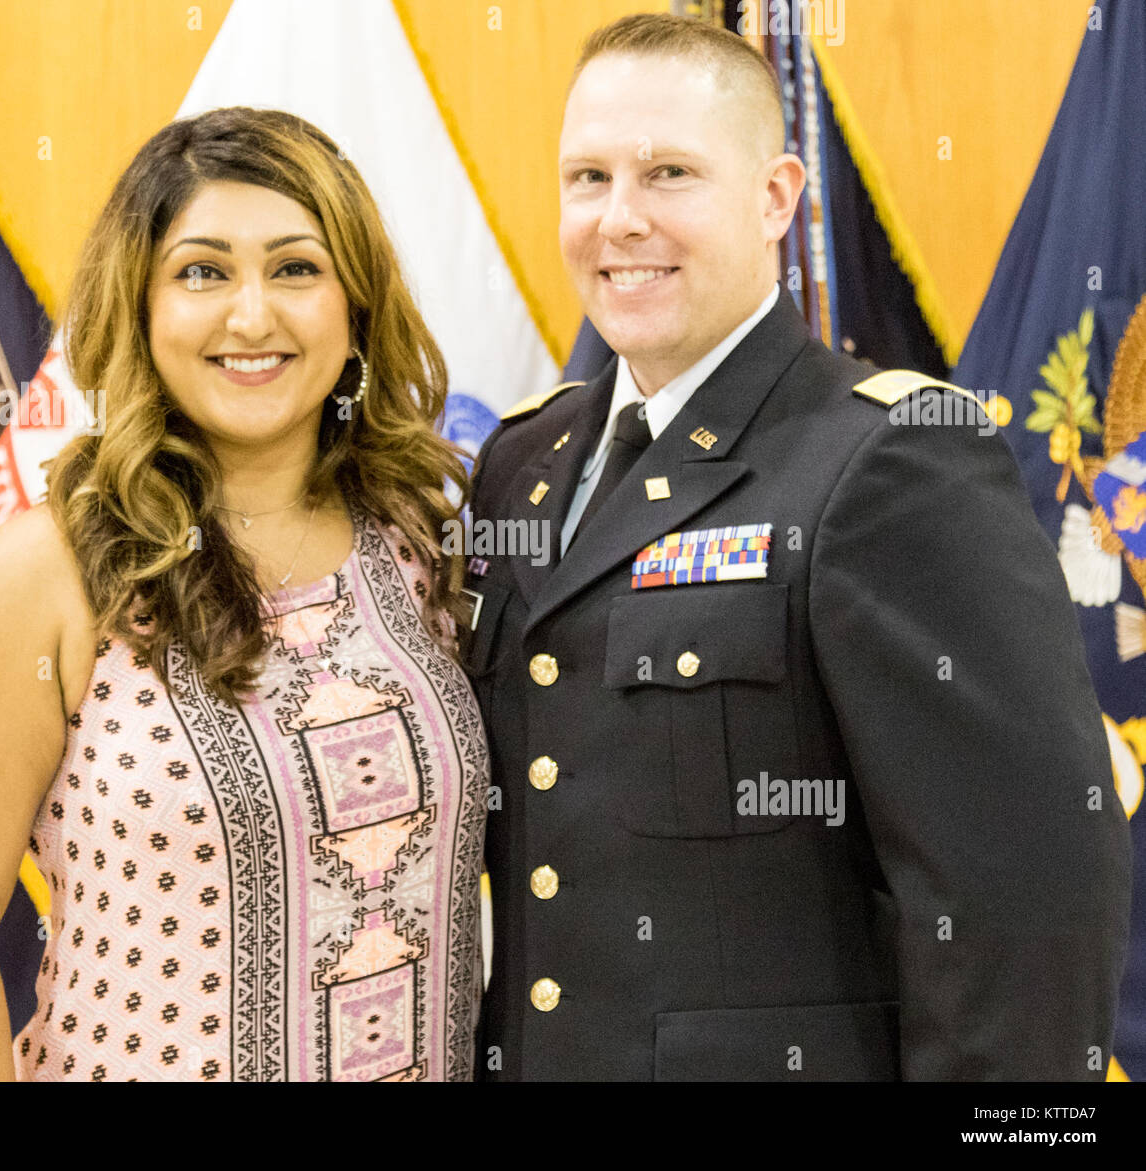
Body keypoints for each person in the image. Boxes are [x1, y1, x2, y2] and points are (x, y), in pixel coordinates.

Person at [465, 14, 1132, 1081]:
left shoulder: (893, 459)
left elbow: (1021, 893)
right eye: (586, 177)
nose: (618, 218)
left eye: (668, 172)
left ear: (775, 196)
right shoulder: (523, 464)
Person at [0, 107, 490, 1082]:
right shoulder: (46, 577)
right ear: (142, 305)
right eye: (202, 271)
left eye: (296, 267)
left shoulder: (425, 540)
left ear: (356, 305)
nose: (252, 315)